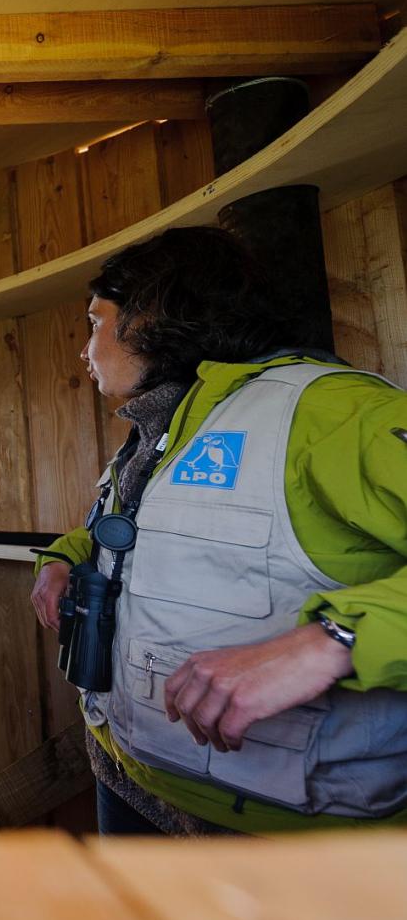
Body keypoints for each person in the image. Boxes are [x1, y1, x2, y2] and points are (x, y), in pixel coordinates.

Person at [29, 226, 407, 835]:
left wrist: (334, 640)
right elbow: (124, 535)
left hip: (279, 836)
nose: (85, 350)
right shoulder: (164, 428)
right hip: (126, 773)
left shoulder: (332, 411)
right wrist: (58, 559)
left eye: (95, 322)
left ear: (152, 315)